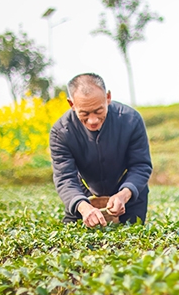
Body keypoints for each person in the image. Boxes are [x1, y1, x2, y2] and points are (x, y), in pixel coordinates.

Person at [50, 73, 152, 227]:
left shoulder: (131, 120)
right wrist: (83, 207)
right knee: (73, 235)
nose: (92, 120)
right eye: (84, 114)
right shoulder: (61, 132)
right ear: (72, 104)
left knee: (132, 236)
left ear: (108, 97)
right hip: (83, 195)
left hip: (127, 191)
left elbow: (141, 166)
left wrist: (124, 195)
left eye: (98, 111)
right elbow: (65, 178)